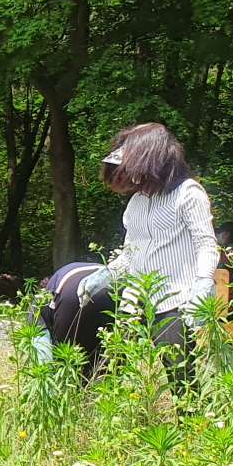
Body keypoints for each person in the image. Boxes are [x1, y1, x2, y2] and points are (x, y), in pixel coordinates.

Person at [76, 124, 218, 363]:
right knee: (112, 366)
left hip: (175, 301)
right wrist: (106, 275)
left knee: (179, 374)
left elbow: (206, 244)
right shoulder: (137, 203)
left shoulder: (188, 193)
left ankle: (187, 402)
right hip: (135, 302)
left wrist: (204, 282)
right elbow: (131, 254)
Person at [30, 262, 117, 375]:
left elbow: (41, 344)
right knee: (114, 352)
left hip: (74, 289)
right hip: (116, 283)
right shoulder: (64, 273)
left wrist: (45, 375)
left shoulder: (39, 301)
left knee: (66, 362)